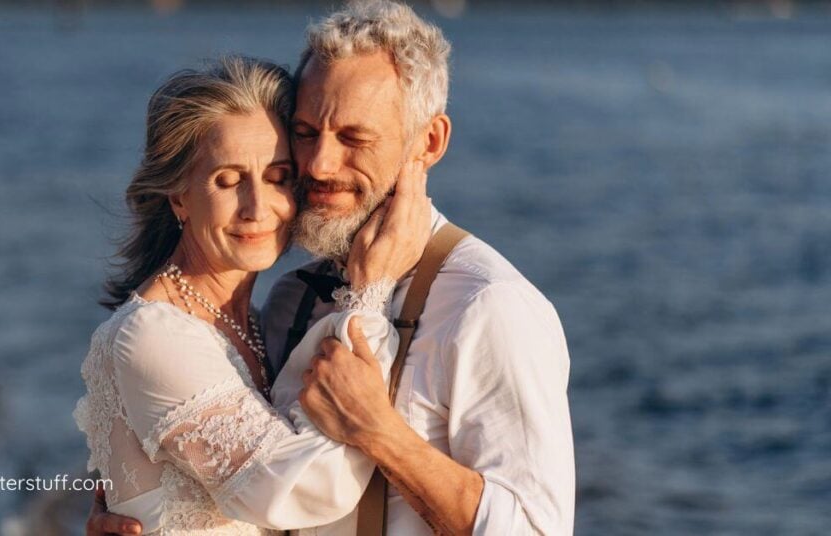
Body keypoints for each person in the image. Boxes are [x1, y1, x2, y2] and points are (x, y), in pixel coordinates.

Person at [87, 1, 576, 534]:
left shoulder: (488, 306)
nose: (318, 165)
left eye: (353, 138)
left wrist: (382, 434)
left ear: (428, 142)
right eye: (304, 131)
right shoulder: (290, 300)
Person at [73, 54, 433, 535]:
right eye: (228, 181)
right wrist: (369, 293)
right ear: (179, 194)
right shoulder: (152, 335)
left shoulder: (257, 325)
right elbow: (302, 488)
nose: (258, 208)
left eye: (278, 177)